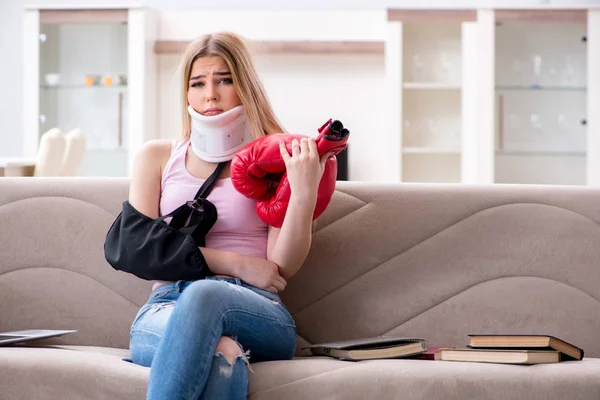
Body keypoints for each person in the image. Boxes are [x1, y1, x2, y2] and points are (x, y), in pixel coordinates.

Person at [127, 32, 334, 400]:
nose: (210, 94)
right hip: (165, 307)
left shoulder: (274, 159)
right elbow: (137, 247)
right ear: (187, 94)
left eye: (224, 80)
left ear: (245, 87)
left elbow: (281, 266)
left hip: (256, 309)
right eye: (198, 83)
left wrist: (302, 192)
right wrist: (234, 263)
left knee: (207, 293)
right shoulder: (156, 157)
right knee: (223, 351)